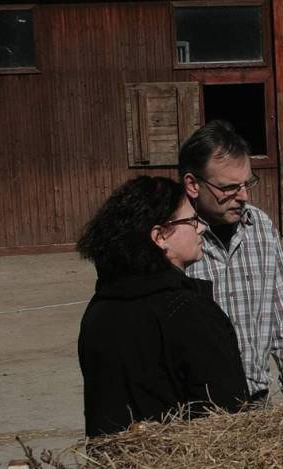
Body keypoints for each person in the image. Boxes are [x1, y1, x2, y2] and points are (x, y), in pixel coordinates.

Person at [77, 176, 248, 437]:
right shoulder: (189, 313)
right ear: (160, 237)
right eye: (191, 221)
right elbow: (227, 415)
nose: (201, 228)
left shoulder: (98, 311)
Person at [181, 121, 283, 404]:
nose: (244, 197)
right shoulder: (174, 240)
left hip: (256, 402)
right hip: (198, 409)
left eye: (246, 184)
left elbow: (282, 318)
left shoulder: (259, 226)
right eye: (228, 188)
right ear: (192, 184)